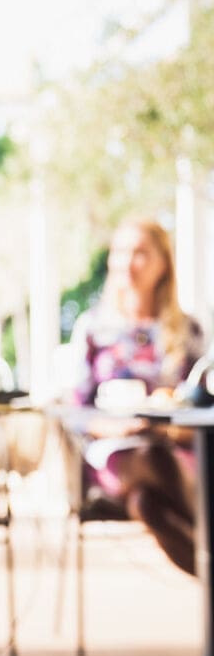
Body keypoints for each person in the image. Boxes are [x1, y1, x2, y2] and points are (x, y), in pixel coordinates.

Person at [65, 216, 205, 575]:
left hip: (178, 449)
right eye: (120, 251)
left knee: (146, 504)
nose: (128, 262)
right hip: (116, 455)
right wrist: (117, 427)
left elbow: (203, 403)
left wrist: (168, 426)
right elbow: (74, 410)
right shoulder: (93, 329)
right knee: (152, 458)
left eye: (140, 252)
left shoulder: (189, 330)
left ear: (163, 264)